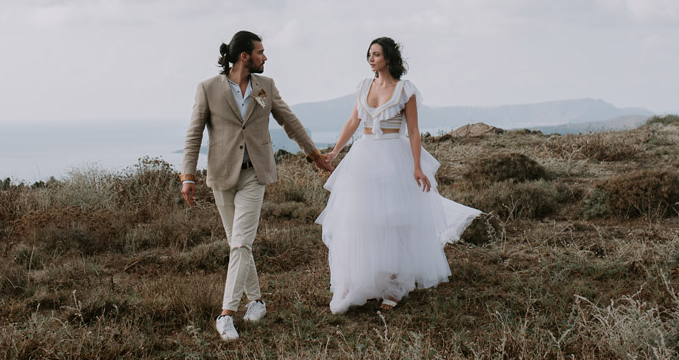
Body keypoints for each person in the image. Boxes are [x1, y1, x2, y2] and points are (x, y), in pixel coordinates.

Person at [181, 30, 332, 341]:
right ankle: (257, 301)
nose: (266, 57)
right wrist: (187, 176)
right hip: (222, 175)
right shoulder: (208, 89)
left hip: (255, 174)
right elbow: (194, 133)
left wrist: (314, 154)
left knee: (241, 242)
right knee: (238, 243)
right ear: (244, 56)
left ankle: (225, 315)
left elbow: (289, 122)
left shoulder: (266, 86)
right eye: (261, 52)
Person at [315, 37, 480, 314]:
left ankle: (395, 286)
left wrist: (417, 166)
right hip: (364, 157)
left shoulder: (405, 90)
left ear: (388, 58)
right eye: (369, 54)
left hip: (394, 157)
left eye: (376, 54)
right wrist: (334, 152)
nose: (371, 59)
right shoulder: (364, 86)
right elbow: (354, 121)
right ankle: (355, 281)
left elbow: (413, 131)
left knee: (394, 222)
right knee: (359, 221)